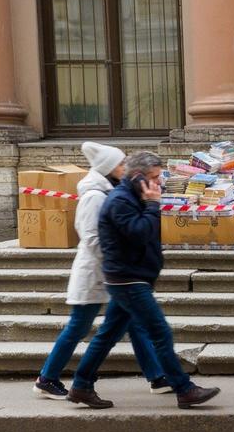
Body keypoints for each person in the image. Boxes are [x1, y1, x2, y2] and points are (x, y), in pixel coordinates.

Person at [67, 151, 220, 410]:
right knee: (159, 332)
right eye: (155, 177)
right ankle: (184, 389)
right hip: (128, 279)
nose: (159, 183)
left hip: (131, 277)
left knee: (107, 335)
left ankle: (81, 385)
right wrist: (152, 205)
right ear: (138, 177)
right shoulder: (120, 201)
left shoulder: (130, 197)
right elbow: (139, 234)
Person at [33, 142, 169, 400]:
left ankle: (157, 376)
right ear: (108, 168)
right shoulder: (95, 197)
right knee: (78, 326)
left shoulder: (112, 191)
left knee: (135, 324)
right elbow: (92, 238)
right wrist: (118, 261)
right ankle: (48, 377)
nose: (125, 167)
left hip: (111, 274)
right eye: (120, 164)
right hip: (96, 274)